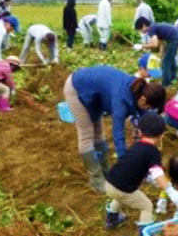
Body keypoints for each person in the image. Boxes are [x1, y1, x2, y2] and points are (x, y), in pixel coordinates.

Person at [63, 65, 167, 193]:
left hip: (97, 93)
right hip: (78, 88)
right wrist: (125, 166)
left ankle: (106, 172)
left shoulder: (139, 92)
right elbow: (118, 136)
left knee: (99, 135)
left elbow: (146, 120)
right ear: (144, 100)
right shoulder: (121, 101)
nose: (148, 110)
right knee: (87, 135)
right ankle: (96, 180)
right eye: (149, 107)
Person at [104, 113, 178, 232]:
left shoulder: (136, 145)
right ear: (161, 135)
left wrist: (148, 178)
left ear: (140, 131)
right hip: (123, 189)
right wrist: (170, 191)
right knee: (146, 206)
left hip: (110, 183)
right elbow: (157, 173)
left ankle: (111, 220)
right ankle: (145, 235)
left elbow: (135, 165)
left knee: (120, 197)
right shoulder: (153, 152)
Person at [134, 18, 178, 87]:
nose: (140, 31)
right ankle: (173, 78)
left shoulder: (151, 30)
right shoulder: (155, 27)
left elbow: (155, 44)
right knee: (170, 59)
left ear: (143, 25)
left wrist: (141, 46)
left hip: (175, 40)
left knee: (165, 63)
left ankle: (166, 84)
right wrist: (160, 57)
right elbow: (162, 44)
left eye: (140, 29)